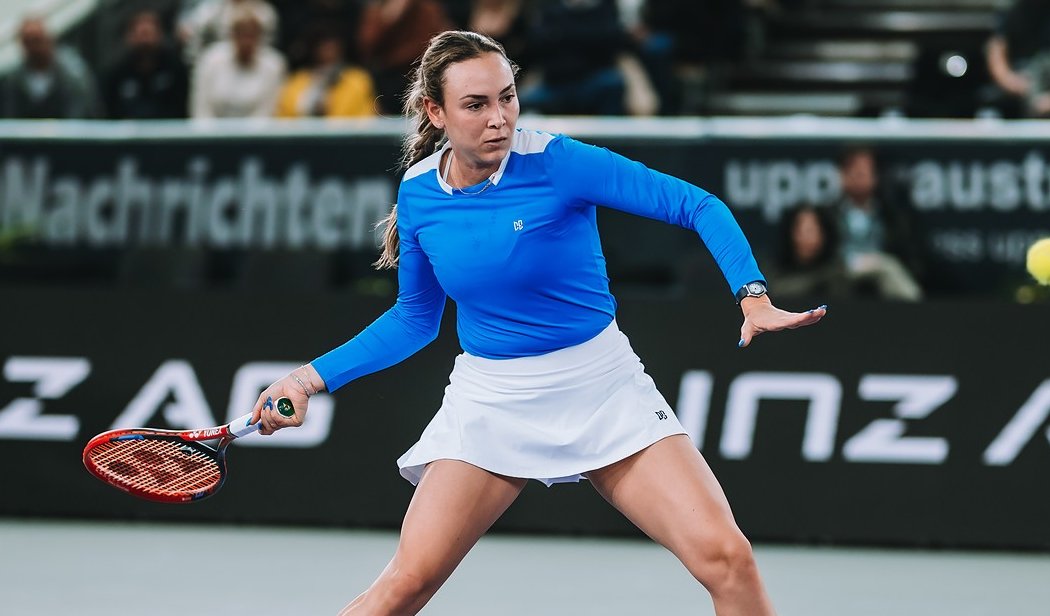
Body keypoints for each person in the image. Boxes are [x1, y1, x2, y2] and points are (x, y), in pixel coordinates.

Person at [247, 30, 824, 615]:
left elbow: (697, 205)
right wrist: (309, 378)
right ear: (435, 111)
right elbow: (415, 320)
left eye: (507, 97)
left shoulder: (557, 162)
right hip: (492, 400)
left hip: (602, 387)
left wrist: (752, 295)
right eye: (476, 104)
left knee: (728, 560)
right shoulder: (419, 193)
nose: (498, 118)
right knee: (406, 584)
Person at [834, 146, 923, 302]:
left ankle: (914, 310)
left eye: (864, 171)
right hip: (843, 269)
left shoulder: (889, 214)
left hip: (880, 266)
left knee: (888, 267)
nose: (859, 176)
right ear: (843, 175)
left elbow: (904, 250)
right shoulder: (830, 214)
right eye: (854, 171)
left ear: (875, 176)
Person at [190, 9, 286, 118]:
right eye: (241, 34)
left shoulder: (274, 65)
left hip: (258, 129)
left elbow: (268, 111)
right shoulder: (210, 59)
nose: (246, 41)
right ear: (232, 35)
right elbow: (201, 109)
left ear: (260, 37)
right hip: (213, 128)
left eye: (251, 35)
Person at [0, 16, 98, 119]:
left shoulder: (73, 75)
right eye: (28, 42)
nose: (34, 48)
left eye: (37, 40)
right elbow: (10, 115)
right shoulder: (14, 79)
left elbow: (81, 114)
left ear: (49, 40)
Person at [102, 10, 189, 119]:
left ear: (159, 35)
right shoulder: (116, 75)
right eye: (140, 34)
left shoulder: (175, 69)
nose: (145, 41)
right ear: (129, 37)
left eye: (148, 34)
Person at [276, 25, 377, 118]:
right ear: (314, 49)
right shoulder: (299, 79)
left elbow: (365, 115)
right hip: (303, 129)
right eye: (323, 46)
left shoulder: (357, 78)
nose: (328, 50)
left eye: (332, 46)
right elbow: (285, 113)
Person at [770, 204, 850, 300]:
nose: (805, 238)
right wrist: (817, 281)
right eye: (800, 231)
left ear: (824, 234)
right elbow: (776, 290)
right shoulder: (775, 266)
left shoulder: (835, 269)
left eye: (811, 231)